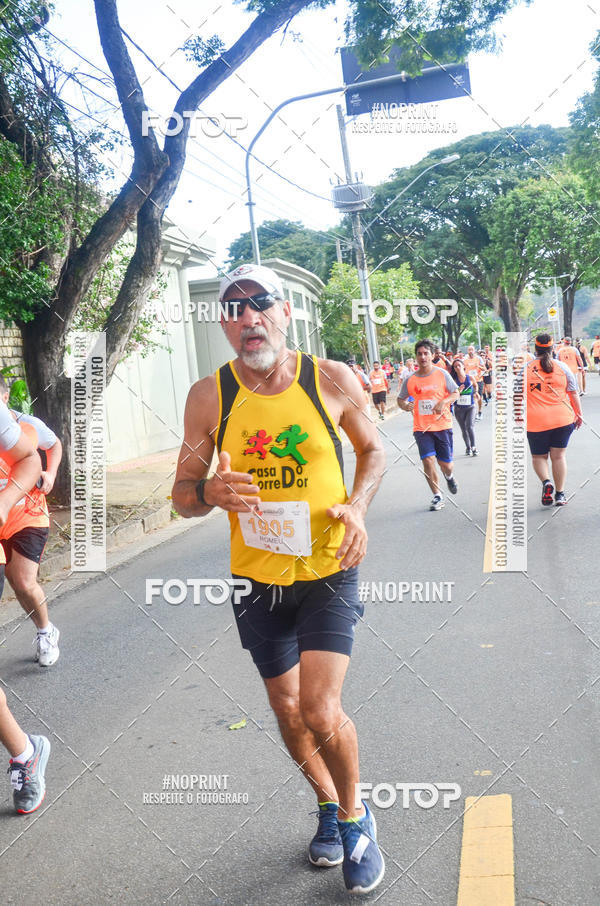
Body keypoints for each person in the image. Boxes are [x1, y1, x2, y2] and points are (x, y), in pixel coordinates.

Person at [172, 264, 386, 895]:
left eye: (258, 304)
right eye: (234, 309)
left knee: (321, 707)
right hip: (256, 581)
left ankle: (355, 819)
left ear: (285, 311)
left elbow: (373, 450)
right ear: (224, 324)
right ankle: (325, 804)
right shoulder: (209, 397)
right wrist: (207, 491)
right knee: (287, 710)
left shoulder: (332, 379)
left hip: (327, 569)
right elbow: (181, 497)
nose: (247, 318)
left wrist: (358, 505)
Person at [0, 401, 50, 813]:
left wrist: (5, 501)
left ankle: (23, 754)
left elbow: (32, 457)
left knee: (24, 582)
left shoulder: (23, 422)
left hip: (28, 517)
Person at [0, 379, 62, 666]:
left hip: (29, 513)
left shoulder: (28, 425)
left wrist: (50, 473)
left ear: (6, 395)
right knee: (11, 579)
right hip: (1, 519)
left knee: (23, 580)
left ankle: (45, 631)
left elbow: (54, 445)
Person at [397, 338, 460, 510]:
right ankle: (437, 495)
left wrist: (443, 402)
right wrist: (405, 405)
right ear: (416, 357)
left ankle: (449, 477)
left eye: (426, 353)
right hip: (421, 428)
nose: (423, 357)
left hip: (442, 425)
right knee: (428, 460)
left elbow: (456, 393)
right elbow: (400, 400)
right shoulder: (410, 379)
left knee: (445, 464)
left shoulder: (442, 374)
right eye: (419, 354)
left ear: (432, 356)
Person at [526, 333, 582, 506]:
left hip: (536, 421)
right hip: (562, 419)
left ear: (535, 349)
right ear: (553, 348)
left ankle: (546, 482)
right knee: (558, 457)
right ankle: (559, 494)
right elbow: (573, 393)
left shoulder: (525, 369)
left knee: (539, 457)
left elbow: (516, 396)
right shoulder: (563, 368)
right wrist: (578, 414)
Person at [450, 359, 478, 455]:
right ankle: (468, 447)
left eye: (459, 365)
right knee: (464, 429)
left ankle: (474, 447)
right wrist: (458, 391)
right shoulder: (454, 381)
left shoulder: (470, 377)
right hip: (459, 408)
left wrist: (476, 392)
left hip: (470, 407)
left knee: (469, 426)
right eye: (455, 366)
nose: (457, 367)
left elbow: (475, 385)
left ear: (463, 366)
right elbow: (452, 394)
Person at [463, 346, 484, 419]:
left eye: (472, 350)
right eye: (469, 350)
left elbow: (485, 369)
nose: (470, 351)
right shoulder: (464, 360)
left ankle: (480, 411)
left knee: (479, 397)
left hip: (478, 380)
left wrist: (478, 366)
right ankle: (473, 414)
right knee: (472, 397)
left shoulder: (479, 358)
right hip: (470, 381)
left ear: (474, 351)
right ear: (467, 351)